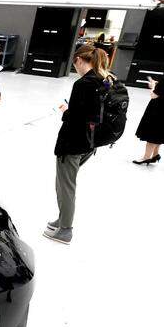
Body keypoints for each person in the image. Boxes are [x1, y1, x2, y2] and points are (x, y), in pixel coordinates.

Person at [44, 45, 113, 245]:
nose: (76, 68)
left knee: (65, 185)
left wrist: (66, 109)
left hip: (73, 142)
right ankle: (62, 218)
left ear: (81, 60)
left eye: (76, 64)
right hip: (90, 142)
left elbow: (75, 118)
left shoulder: (83, 83)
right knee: (65, 183)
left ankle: (65, 230)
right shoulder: (104, 80)